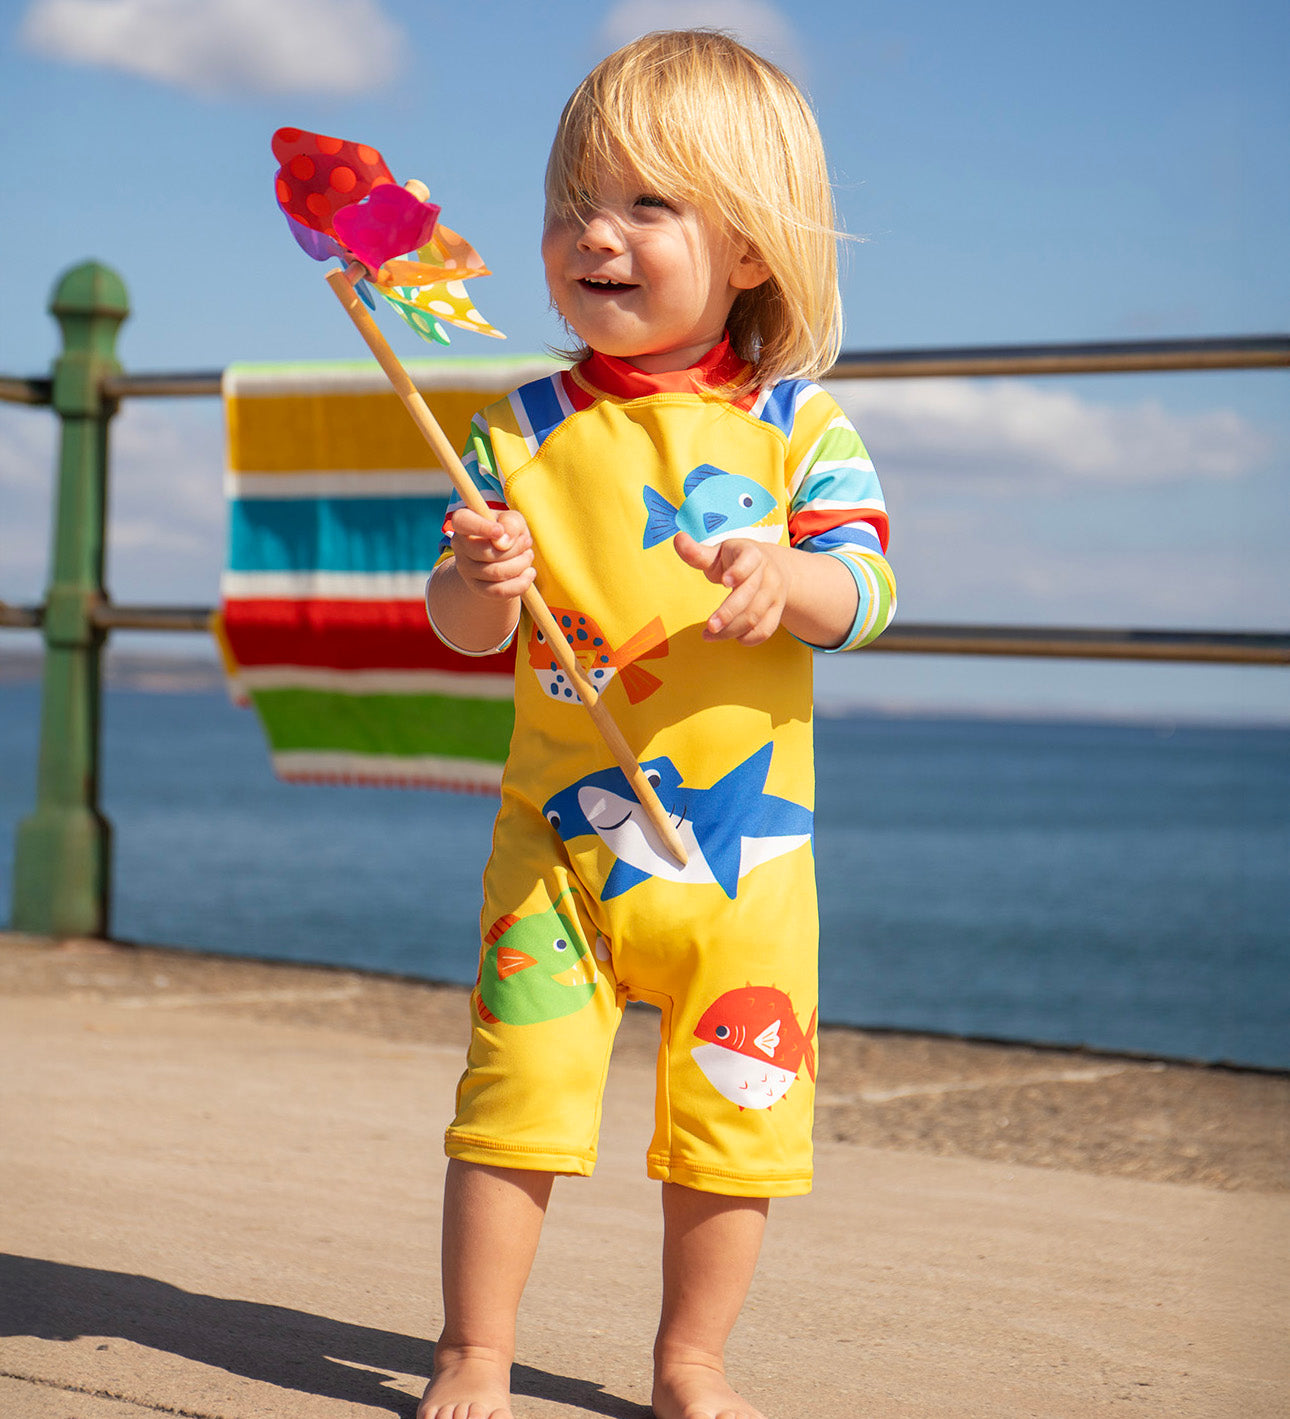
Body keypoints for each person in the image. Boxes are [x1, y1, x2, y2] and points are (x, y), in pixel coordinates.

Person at [420, 29, 895, 1419]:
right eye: (574, 203)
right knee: (515, 1094)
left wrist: (782, 575)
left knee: (735, 1118)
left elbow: (865, 591)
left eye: (646, 205)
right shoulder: (514, 427)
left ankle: (692, 1361)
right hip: (557, 848)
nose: (594, 237)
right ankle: (475, 1351)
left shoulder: (801, 429)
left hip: (749, 861)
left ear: (750, 248)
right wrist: (474, 577)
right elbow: (460, 627)